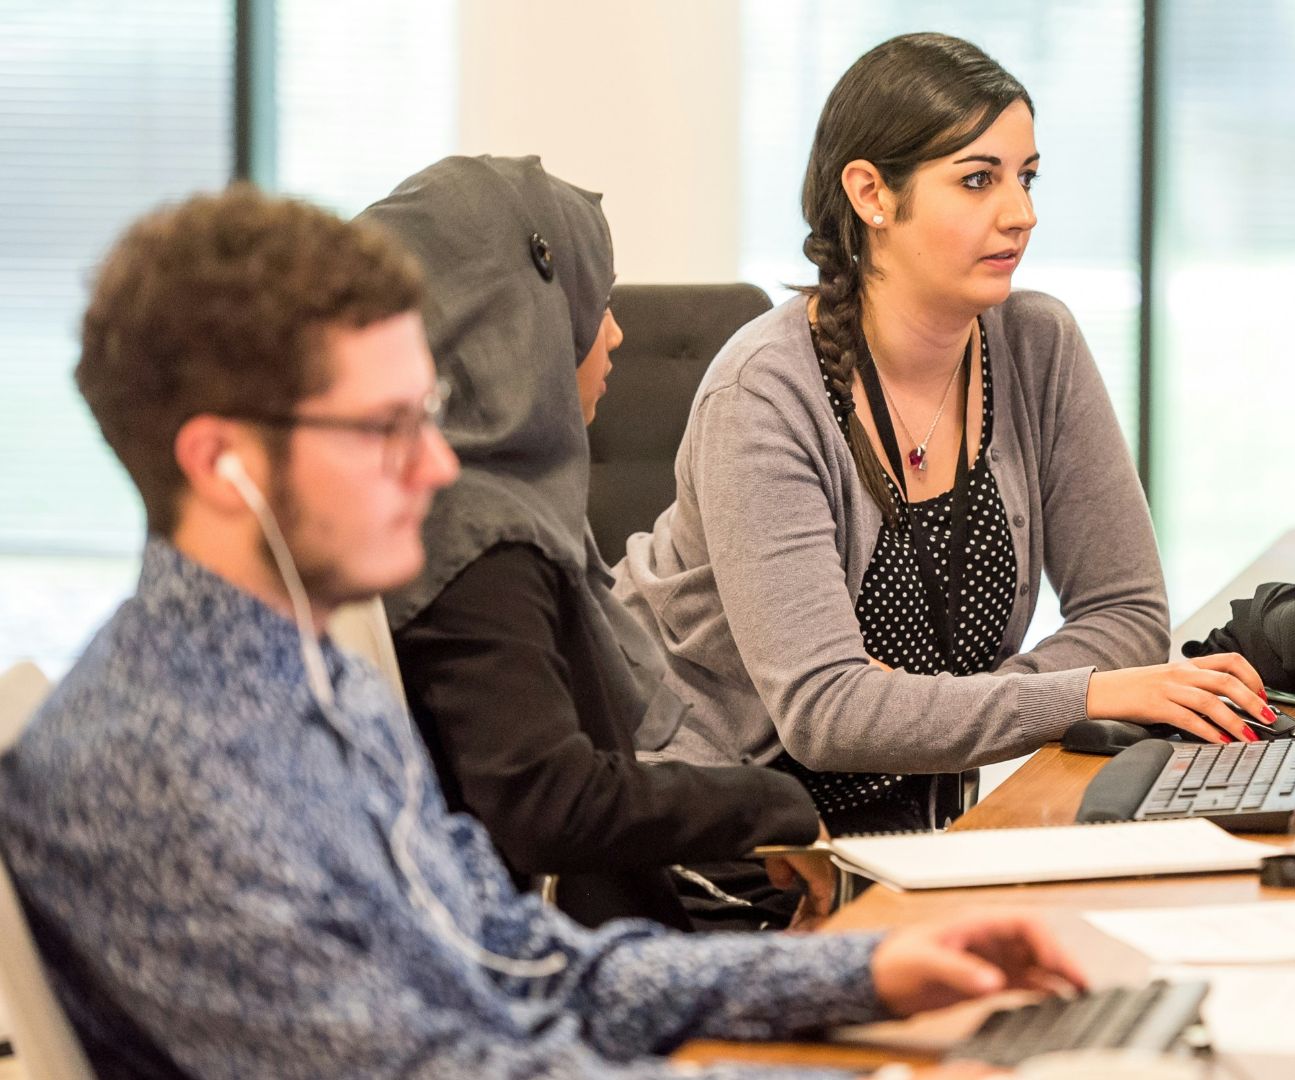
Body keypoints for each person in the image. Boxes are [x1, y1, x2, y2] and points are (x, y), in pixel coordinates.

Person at [0, 184, 1081, 1078]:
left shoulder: (310, 684)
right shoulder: (162, 765)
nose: (435, 466)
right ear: (218, 463)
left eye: (427, 415)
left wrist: (861, 973)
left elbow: (520, 959)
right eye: (385, 427)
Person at [616, 32, 1276, 834]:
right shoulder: (765, 394)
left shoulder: (1037, 345)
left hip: (922, 821)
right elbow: (826, 713)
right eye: (977, 180)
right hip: (732, 832)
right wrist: (1083, 692)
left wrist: (925, 705)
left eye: (1027, 177)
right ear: (871, 194)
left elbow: (1128, 614)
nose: (1021, 214)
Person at [359, 155, 830, 932]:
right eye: (594, 302)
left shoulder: (454, 506)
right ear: (520, 320)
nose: (614, 332)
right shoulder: (481, 541)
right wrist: (769, 805)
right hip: (561, 956)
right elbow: (547, 804)